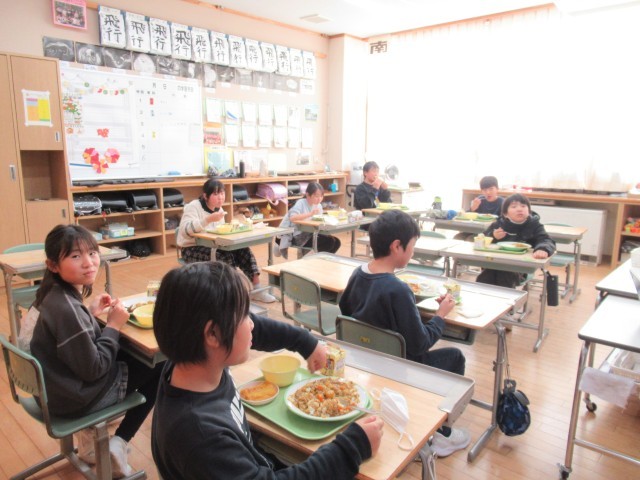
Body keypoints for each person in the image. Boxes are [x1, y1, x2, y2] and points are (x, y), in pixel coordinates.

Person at [151, 261, 384, 479]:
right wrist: (351, 447)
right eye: (244, 315)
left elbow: (257, 330)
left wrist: (306, 343)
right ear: (213, 334)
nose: (252, 322)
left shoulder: (189, 361)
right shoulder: (202, 438)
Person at [27, 224, 163, 478]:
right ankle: (120, 441)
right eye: (75, 256)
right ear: (53, 265)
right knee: (160, 362)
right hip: (75, 398)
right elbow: (94, 369)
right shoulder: (67, 309)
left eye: (92, 253)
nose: (89, 262)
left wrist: (90, 313)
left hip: (55, 388)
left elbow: (70, 342)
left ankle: (106, 442)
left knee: (133, 352)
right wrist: (112, 325)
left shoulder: (52, 294)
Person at [338, 210, 470, 457]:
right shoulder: (398, 290)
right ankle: (441, 433)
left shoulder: (358, 273)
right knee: (456, 357)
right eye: (412, 246)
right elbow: (420, 344)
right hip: (400, 367)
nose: (413, 252)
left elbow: (346, 309)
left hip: (366, 360)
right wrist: (440, 315)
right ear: (397, 246)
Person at [176, 178, 276, 303]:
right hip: (191, 248)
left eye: (222, 193)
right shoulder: (193, 207)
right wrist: (207, 220)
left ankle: (257, 290)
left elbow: (219, 232)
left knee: (244, 250)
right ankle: (233, 294)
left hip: (213, 246)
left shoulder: (219, 209)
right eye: (216, 194)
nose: (220, 197)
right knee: (223, 257)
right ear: (205, 196)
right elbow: (185, 231)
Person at [476, 193, 556, 288]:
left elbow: (546, 240)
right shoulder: (498, 224)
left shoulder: (534, 225)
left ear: (529, 211)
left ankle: (505, 297)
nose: (519, 209)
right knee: (486, 276)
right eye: (514, 207)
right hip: (495, 263)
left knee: (503, 273)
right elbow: (481, 239)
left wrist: (542, 249)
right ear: (505, 213)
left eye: (523, 206)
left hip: (520, 268)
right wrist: (493, 236)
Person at [276, 182, 341, 258]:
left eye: (321, 196)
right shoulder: (301, 203)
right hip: (297, 235)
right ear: (307, 195)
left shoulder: (319, 206)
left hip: (310, 232)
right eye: (316, 196)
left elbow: (318, 221)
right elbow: (292, 218)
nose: (319, 199)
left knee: (337, 242)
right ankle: (307, 259)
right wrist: (310, 214)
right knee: (330, 242)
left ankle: (319, 260)